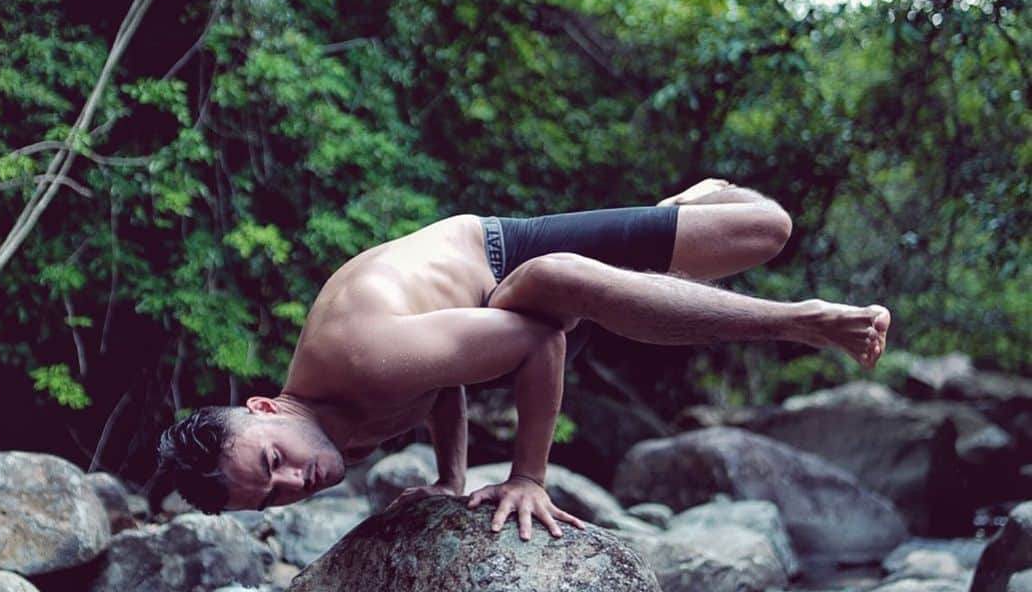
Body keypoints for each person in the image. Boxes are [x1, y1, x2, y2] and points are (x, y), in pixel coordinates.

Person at [149, 179, 889, 540]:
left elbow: (538, 339)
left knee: (767, 226)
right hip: (491, 301)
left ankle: (800, 320)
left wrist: (527, 476)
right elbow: (440, 386)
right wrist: (449, 479)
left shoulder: (363, 360)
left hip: (505, 252)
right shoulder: (332, 427)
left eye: (271, 459)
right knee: (558, 291)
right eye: (273, 496)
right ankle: (689, 223)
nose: (293, 481)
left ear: (266, 408)